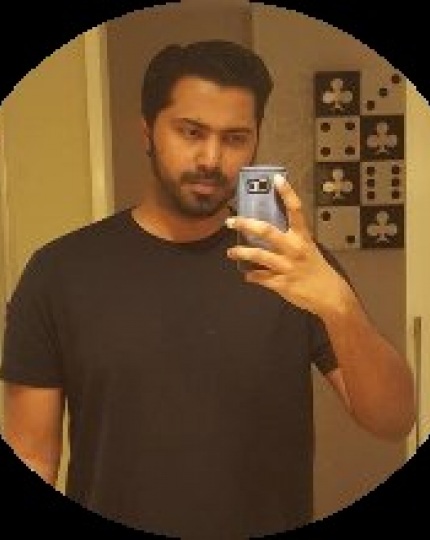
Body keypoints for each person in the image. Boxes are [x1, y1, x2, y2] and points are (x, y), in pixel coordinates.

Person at [0, 40, 415, 538]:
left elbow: (393, 419)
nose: (212, 158)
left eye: (235, 138)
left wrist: (342, 309)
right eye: (191, 132)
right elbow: (31, 454)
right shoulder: (59, 273)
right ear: (147, 131)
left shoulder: (293, 267)